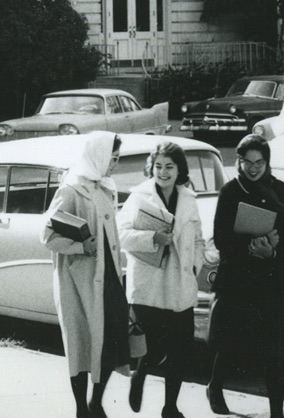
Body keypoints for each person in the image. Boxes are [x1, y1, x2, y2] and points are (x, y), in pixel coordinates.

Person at [41, 131, 130, 418]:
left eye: (117, 158)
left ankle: (96, 401)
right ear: (98, 156)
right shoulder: (71, 188)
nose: (114, 164)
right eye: (112, 158)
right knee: (80, 343)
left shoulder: (105, 186)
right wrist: (80, 246)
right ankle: (82, 407)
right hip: (79, 281)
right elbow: (47, 234)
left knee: (112, 341)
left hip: (108, 277)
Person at [206, 133, 284, 418]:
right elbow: (220, 238)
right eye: (248, 162)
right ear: (239, 161)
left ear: (267, 162)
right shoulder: (231, 191)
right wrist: (251, 246)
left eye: (260, 162)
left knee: (274, 349)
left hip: (270, 278)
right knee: (230, 342)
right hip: (238, 279)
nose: (254, 168)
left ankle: (277, 412)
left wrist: (271, 252)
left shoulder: (278, 188)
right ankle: (215, 387)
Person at [117, 141, 205, 418]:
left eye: (169, 167)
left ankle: (170, 407)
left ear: (179, 170)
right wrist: (152, 237)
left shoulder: (189, 199)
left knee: (180, 350)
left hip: (180, 284)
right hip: (150, 284)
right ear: (151, 168)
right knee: (152, 348)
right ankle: (139, 375)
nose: (163, 172)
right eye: (158, 166)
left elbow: (199, 239)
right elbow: (120, 235)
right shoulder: (139, 197)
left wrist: (195, 265)